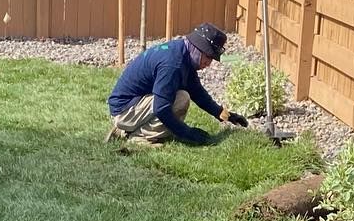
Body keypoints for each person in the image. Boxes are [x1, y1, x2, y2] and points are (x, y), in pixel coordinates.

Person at [106, 22, 248, 145]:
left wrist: (225, 114)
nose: (208, 64)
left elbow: (197, 92)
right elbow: (161, 108)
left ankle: (126, 130)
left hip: (129, 106)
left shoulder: (182, 52)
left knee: (180, 95)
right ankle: (139, 137)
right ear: (198, 48)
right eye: (208, 57)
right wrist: (187, 133)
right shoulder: (173, 64)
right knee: (181, 99)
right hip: (124, 111)